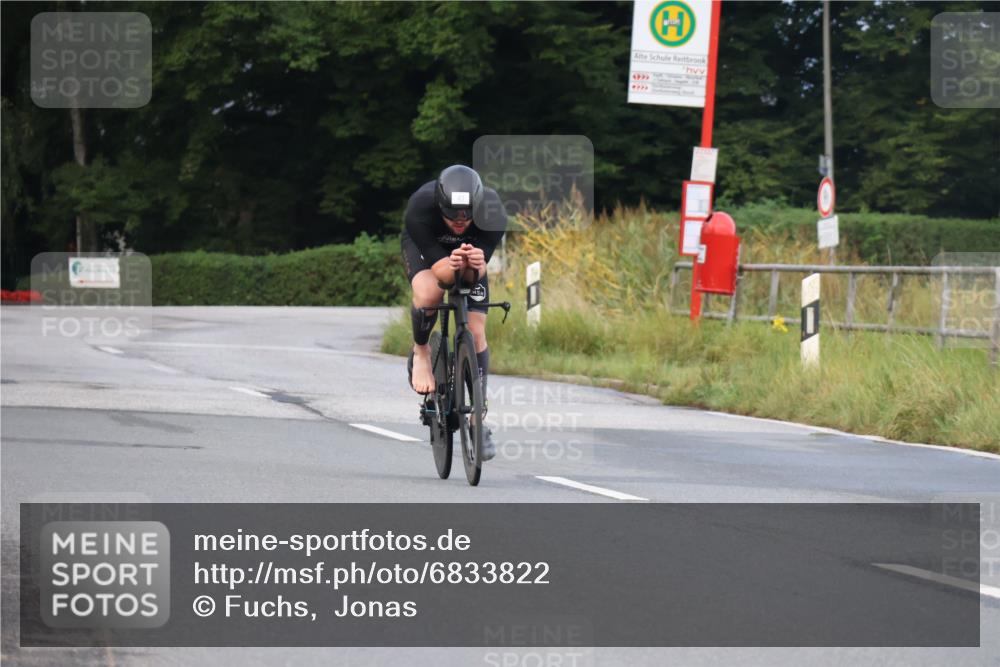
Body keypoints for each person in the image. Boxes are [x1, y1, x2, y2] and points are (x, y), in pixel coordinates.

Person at [401, 165, 507, 460]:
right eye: (452, 216)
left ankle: (478, 419)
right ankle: (421, 351)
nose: (460, 223)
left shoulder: (493, 211)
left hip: (470, 256)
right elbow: (442, 275)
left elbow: (475, 275)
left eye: (467, 216)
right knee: (429, 294)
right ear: (440, 206)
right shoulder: (420, 209)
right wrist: (452, 263)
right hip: (429, 250)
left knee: (475, 331)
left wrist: (473, 263)